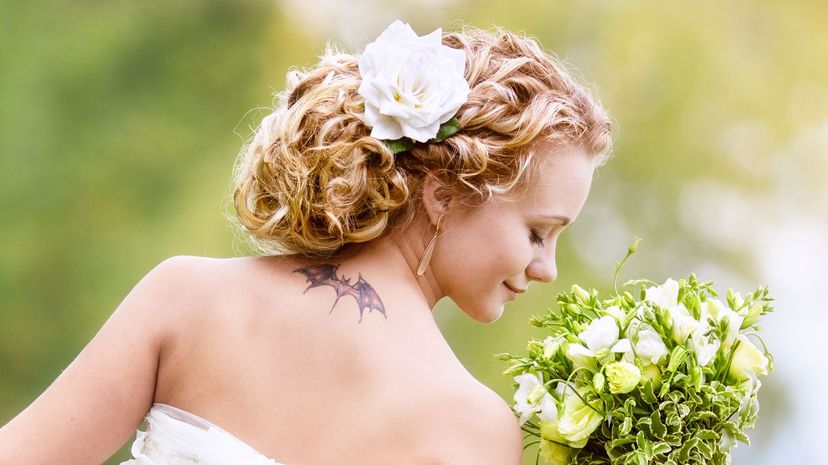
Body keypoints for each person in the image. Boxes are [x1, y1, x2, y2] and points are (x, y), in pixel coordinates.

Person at [0, 20, 611, 465]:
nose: (547, 268)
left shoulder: (189, 296)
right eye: (538, 232)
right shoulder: (476, 432)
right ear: (445, 194)